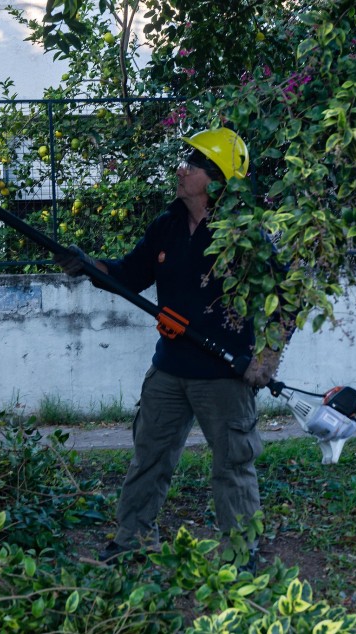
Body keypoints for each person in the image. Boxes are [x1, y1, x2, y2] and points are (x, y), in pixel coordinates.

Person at [55, 128, 282, 564]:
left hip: (223, 376)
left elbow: (283, 299)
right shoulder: (167, 225)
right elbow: (129, 274)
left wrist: (266, 360)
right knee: (149, 457)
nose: (182, 170)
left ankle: (241, 551)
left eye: (193, 164)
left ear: (216, 180)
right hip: (169, 369)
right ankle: (133, 542)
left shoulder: (247, 236)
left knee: (233, 465)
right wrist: (88, 266)